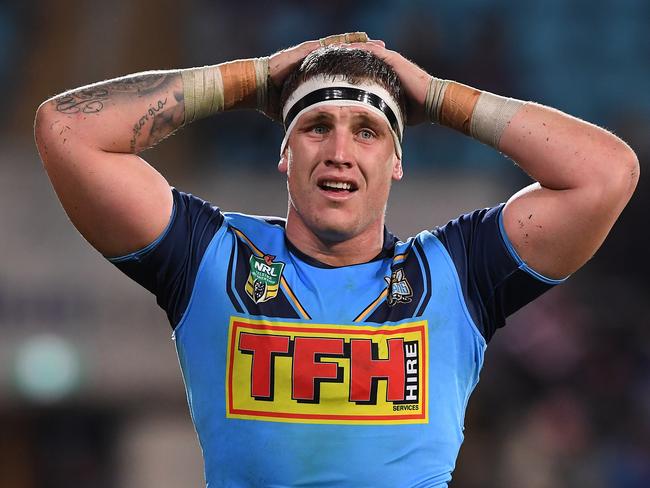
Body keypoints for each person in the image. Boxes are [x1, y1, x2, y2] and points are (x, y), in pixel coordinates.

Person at [34, 32, 639, 487]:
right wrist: (251, 78)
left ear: (397, 161)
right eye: (317, 126)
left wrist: (438, 97)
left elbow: (608, 173)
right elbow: (65, 129)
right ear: (285, 154)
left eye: (369, 132)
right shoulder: (212, 259)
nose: (340, 152)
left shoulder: (455, 275)